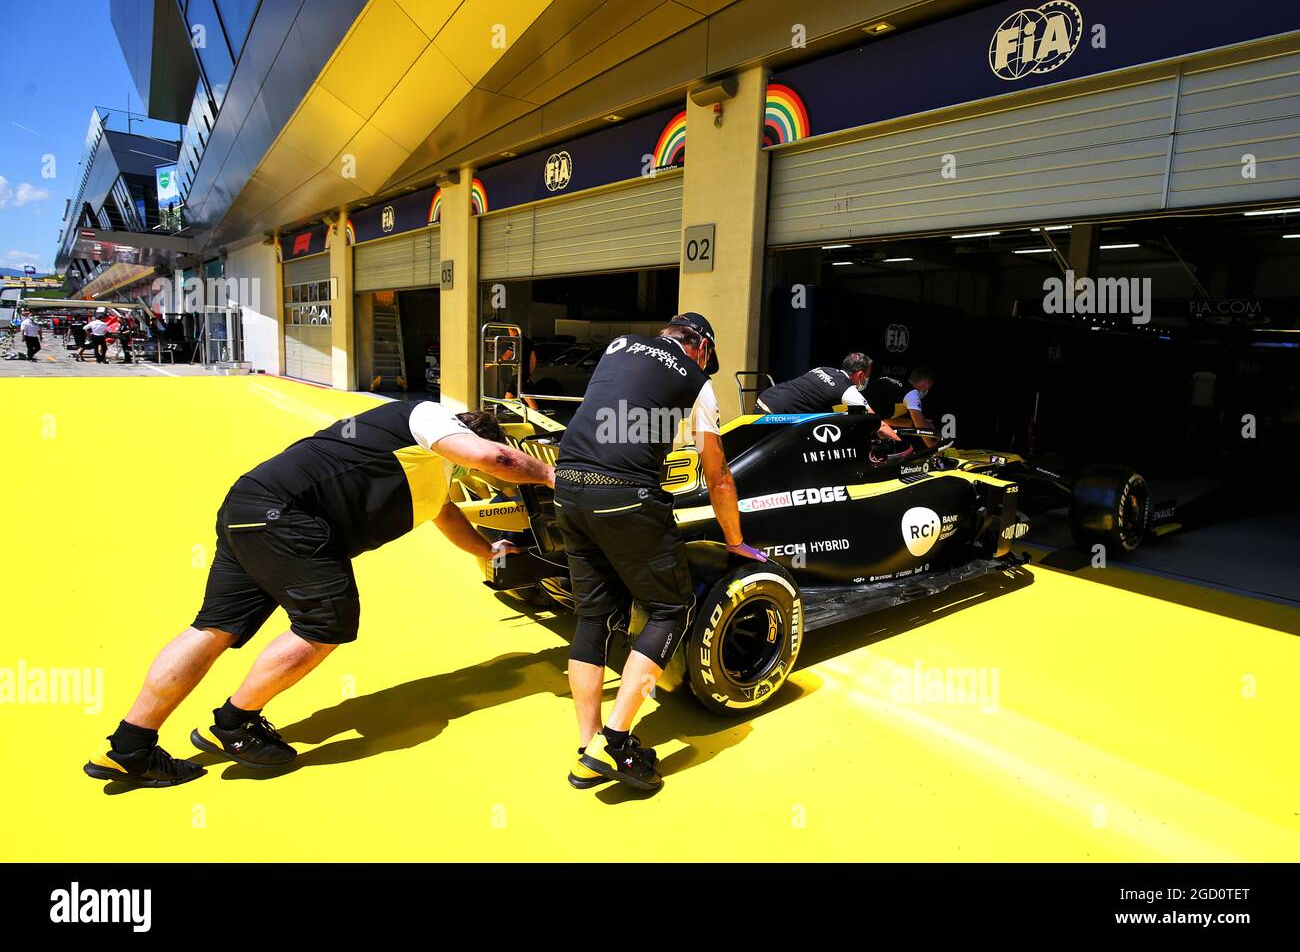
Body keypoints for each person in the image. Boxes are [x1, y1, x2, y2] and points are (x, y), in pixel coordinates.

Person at [84, 401, 555, 787]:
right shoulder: (428, 417)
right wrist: (558, 477)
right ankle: (234, 723)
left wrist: (491, 553)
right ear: (468, 437)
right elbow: (495, 460)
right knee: (323, 625)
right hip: (285, 517)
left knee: (213, 627)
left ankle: (130, 746)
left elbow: (447, 516)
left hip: (247, 509)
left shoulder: (431, 475)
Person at [557, 312, 765, 791]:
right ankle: (613, 740)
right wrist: (734, 541)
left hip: (568, 486)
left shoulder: (618, 347)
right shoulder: (698, 382)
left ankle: (587, 748)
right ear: (704, 350)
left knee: (593, 617)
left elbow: (618, 415)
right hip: (625, 494)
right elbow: (717, 474)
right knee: (671, 607)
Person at [757, 352, 900, 441]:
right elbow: (877, 424)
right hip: (775, 415)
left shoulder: (822, 369)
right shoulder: (848, 390)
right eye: (868, 376)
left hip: (765, 399)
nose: (867, 380)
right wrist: (902, 446)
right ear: (860, 375)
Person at [866, 366, 937, 446]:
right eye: (929, 387)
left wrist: (913, 424)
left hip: (861, 417)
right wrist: (937, 451)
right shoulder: (912, 394)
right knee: (901, 449)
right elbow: (921, 428)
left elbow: (886, 419)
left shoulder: (896, 387)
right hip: (860, 417)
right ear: (926, 385)